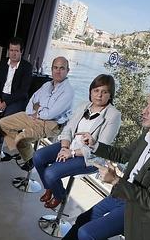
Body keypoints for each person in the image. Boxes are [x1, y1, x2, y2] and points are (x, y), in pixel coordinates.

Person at [31, 82, 150, 240]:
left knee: (86, 234)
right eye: (147, 104)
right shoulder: (148, 133)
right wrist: (95, 144)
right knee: (83, 220)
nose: (144, 110)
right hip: (123, 194)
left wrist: (116, 180)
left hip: (140, 210)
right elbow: (123, 154)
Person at [33, 74, 121, 209]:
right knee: (38, 157)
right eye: (96, 91)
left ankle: (59, 196)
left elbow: (101, 147)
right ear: (90, 91)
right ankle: (50, 187)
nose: (99, 95)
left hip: (90, 157)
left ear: (110, 95)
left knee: (51, 173)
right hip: (70, 146)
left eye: (104, 92)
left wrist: (72, 153)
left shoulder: (113, 115)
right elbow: (68, 129)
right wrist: (64, 148)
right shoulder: (83, 105)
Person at [0, 56, 74, 171]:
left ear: (67, 71)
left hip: (51, 124)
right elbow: (33, 100)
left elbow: (51, 114)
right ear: (52, 69)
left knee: (20, 139)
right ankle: (24, 152)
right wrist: (31, 113)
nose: (58, 71)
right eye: (55, 68)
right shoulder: (47, 85)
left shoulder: (68, 91)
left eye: (62, 68)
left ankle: (29, 159)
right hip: (33, 116)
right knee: (3, 123)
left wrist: (38, 111)